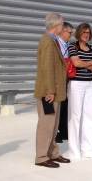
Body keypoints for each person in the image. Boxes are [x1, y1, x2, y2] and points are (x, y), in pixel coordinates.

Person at [34, 13, 70, 168]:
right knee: (46, 125)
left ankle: (52, 153)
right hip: (49, 92)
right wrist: (50, 90)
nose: (63, 26)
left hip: (55, 91)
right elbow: (47, 67)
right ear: (56, 25)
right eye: (62, 24)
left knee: (53, 125)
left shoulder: (52, 40)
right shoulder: (48, 41)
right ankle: (41, 157)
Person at [67, 23, 92, 160]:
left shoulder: (91, 47)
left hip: (89, 84)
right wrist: (89, 63)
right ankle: (74, 152)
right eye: (84, 32)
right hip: (76, 84)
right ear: (79, 33)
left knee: (89, 117)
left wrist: (86, 63)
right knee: (75, 117)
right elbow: (76, 63)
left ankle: (88, 150)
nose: (86, 34)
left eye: (88, 32)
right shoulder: (72, 46)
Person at [55, 22, 73, 143]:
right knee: (58, 105)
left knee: (65, 104)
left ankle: (64, 130)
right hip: (58, 78)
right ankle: (56, 132)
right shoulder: (55, 44)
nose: (71, 35)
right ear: (62, 31)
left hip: (66, 77)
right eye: (69, 32)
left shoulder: (67, 44)